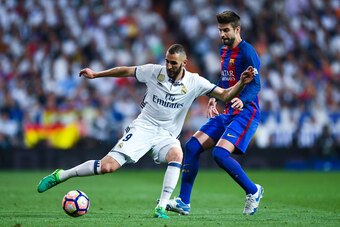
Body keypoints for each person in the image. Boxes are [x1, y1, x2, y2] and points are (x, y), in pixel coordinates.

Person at [37, 44, 256, 219]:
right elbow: (126, 70)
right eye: (168, 62)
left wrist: (241, 84)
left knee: (177, 153)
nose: (169, 66)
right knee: (107, 167)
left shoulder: (195, 82)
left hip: (166, 136)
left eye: (174, 63)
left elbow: (225, 96)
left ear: (184, 63)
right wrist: (97, 75)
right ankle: (61, 175)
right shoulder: (154, 72)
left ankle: (161, 207)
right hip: (143, 127)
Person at [166, 11, 263, 216]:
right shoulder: (224, 51)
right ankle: (184, 202)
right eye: (220, 30)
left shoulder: (248, 52)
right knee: (192, 146)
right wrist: (215, 95)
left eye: (226, 30)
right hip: (228, 111)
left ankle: (253, 191)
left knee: (220, 154)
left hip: (246, 112)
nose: (222, 34)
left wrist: (242, 99)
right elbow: (226, 79)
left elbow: (256, 85)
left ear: (237, 29)